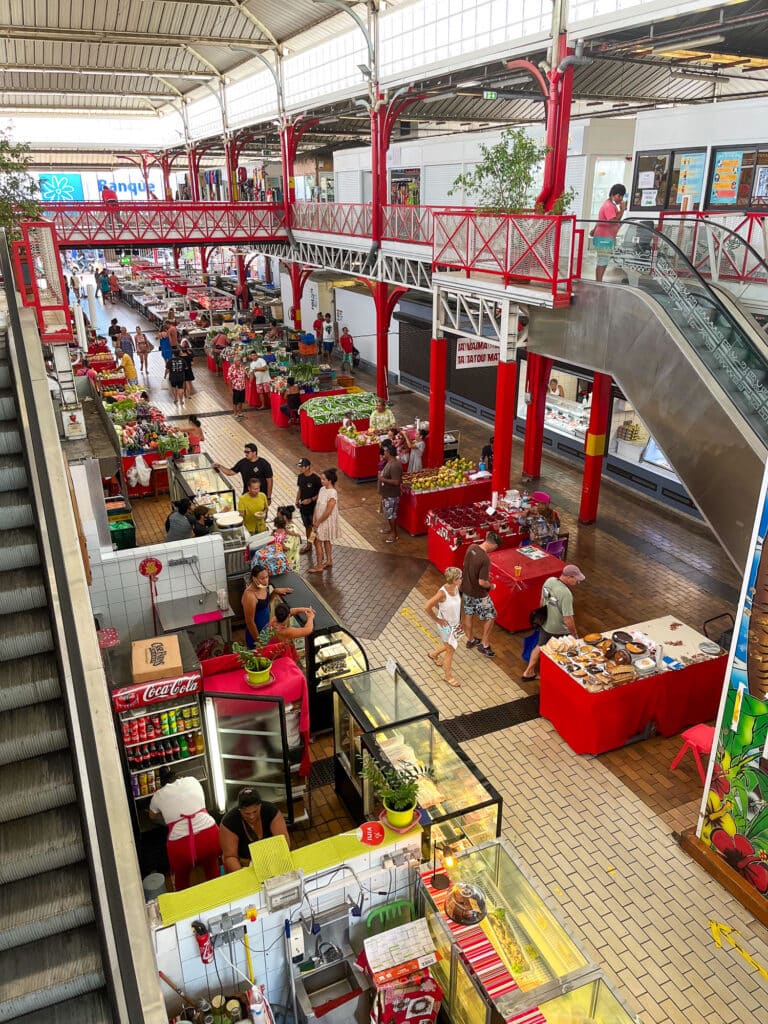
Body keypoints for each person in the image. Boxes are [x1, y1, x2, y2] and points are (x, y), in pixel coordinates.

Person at [149, 767, 220, 891]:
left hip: (180, 846)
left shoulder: (158, 795)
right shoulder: (192, 780)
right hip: (209, 835)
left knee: (181, 879)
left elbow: (152, 816)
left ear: (161, 784)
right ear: (178, 776)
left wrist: (168, 817)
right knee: (213, 870)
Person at [522, 564, 586, 680]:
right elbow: (568, 618)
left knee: (539, 646)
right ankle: (562, 677)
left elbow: (542, 601)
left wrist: (541, 619)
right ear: (569, 577)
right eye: (576, 579)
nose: (577, 582)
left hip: (545, 623)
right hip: (559, 629)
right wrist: (574, 634)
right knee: (566, 651)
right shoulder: (566, 594)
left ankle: (528, 672)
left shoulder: (549, 581)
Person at [220, 787, 290, 873]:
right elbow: (230, 857)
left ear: (260, 806)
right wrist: (243, 874)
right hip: (244, 866)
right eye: (247, 813)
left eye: (255, 811)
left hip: (273, 860)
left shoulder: (271, 812)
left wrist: (276, 864)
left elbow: (283, 842)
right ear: (240, 810)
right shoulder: (229, 822)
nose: (251, 816)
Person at [462, 531, 501, 659]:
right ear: (494, 545)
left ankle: (470, 640)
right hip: (478, 594)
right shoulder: (485, 559)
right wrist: (491, 585)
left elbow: (466, 565)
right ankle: (484, 644)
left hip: (466, 589)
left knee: (468, 614)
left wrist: (481, 575)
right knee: (491, 616)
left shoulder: (472, 547)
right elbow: (482, 582)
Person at [424, 567, 463, 688]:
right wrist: (437, 620)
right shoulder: (442, 593)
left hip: (455, 624)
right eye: (460, 578)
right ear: (454, 580)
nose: (462, 579)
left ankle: (433, 654)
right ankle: (448, 676)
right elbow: (427, 606)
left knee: (451, 644)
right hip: (445, 626)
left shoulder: (456, 587)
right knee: (451, 649)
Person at [242, 566, 293, 647]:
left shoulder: (263, 586)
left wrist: (275, 592)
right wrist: (259, 642)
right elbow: (250, 622)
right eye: (262, 578)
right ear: (254, 578)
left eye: (267, 577)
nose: (266, 581)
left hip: (265, 629)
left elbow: (265, 603)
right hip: (255, 634)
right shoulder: (249, 596)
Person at [591, 183, 627, 283]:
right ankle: (599, 283)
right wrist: (622, 210)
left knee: (604, 260)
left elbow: (603, 220)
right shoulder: (609, 206)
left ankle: (599, 282)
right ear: (612, 194)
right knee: (602, 261)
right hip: (604, 238)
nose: (621, 198)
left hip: (606, 237)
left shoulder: (610, 205)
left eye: (622, 196)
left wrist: (594, 230)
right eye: (619, 196)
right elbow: (613, 221)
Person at [308, 468, 340, 573]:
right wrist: (314, 517)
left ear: (330, 480)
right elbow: (317, 505)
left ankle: (319, 566)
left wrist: (318, 521)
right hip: (318, 519)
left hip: (325, 520)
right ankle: (329, 561)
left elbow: (328, 511)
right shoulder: (322, 489)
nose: (321, 481)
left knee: (317, 541)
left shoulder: (333, 493)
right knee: (326, 540)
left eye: (323, 479)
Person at [296, 458, 322, 554]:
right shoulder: (300, 477)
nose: (300, 468)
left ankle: (317, 546)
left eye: (302, 467)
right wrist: (297, 500)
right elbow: (300, 489)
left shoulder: (316, 479)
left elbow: (321, 493)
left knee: (314, 528)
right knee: (307, 527)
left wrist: (311, 500)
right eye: (299, 466)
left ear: (308, 467)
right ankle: (309, 545)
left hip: (313, 508)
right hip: (304, 508)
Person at [378, 443, 402, 545]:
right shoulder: (389, 462)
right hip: (387, 494)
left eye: (385, 451)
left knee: (391, 515)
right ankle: (391, 529)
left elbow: (396, 482)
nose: (383, 453)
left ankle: (393, 534)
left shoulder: (394, 465)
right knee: (389, 514)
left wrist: (382, 479)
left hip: (391, 495)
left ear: (389, 453)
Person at [229, 354, 247, 419]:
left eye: (240, 360)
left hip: (242, 387)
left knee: (241, 401)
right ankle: (235, 413)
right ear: (235, 361)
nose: (239, 362)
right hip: (235, 387)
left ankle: (240, 412)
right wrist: (230, 389)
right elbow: (229, 379)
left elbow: (245, 376)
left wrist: (247, 372)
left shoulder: (242, 367)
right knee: (235, 401)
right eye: (238, 361)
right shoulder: (231, 368)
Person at [180, 333, 195, 398]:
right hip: (188, 370)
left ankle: (184, 394)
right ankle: (189, 395)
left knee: (183, 383)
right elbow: (192, 363)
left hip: (182, 371)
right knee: (188, 383)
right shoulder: (189, 356)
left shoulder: (180, 357)